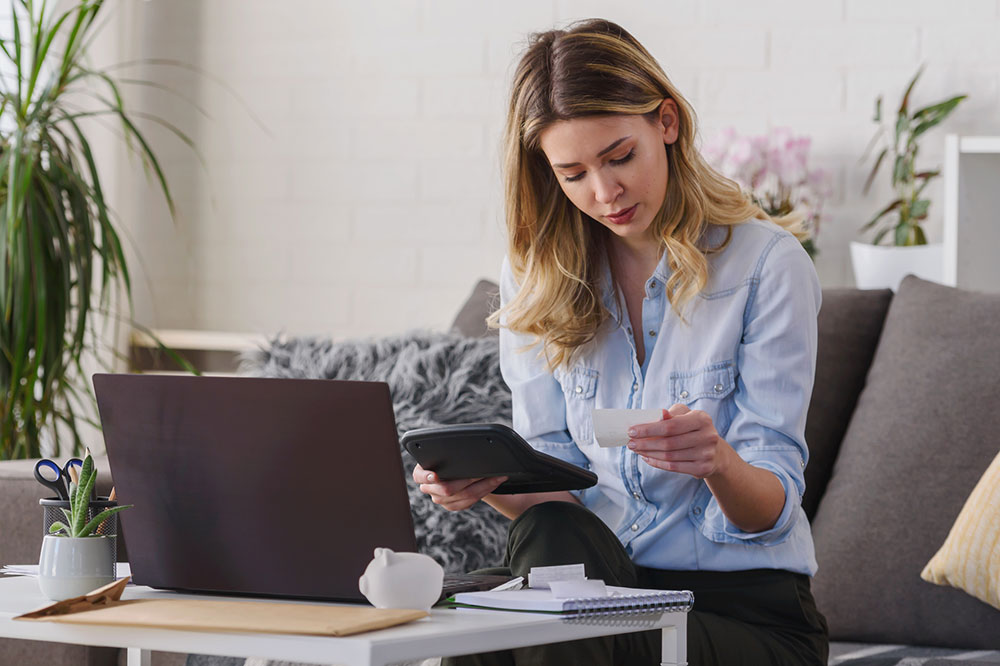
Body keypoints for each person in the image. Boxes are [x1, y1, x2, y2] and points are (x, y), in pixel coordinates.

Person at [414, 18, 829, 666]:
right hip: (605, 591)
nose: (604, 193)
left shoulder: (768, 266)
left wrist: (717, 460)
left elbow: (770, 508)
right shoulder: (536, 276)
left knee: (525, 640)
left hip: (745, 611)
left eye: (619, 157)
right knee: (541, 548)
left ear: (665, 122)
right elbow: (558, 487)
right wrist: (489, 482)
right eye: (573, 173)